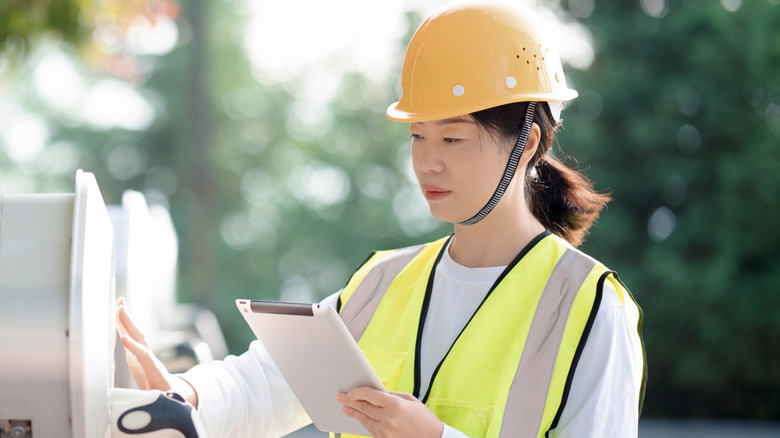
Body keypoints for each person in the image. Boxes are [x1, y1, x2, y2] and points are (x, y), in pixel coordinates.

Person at [117, 1, 646, 437]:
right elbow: (270, 381)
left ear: (527, 144)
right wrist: (186, 391)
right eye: (418, 135)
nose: (427, 161)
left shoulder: (588, 309)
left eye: (453, 138)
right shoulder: (381, 284)